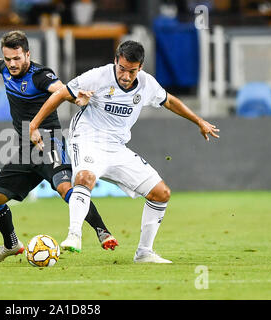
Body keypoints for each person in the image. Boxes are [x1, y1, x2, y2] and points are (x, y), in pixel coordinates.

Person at [0, 29, 118, 262]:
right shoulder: (6, 69)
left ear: (28, 54)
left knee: (64, 188)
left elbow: (60, 89)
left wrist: (75, 97)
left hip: (48, 141)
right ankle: (11, 244)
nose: (11, 64)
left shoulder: (40, 75)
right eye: (8, 59)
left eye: (17, 58)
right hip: (25, 148)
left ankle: (102, 231)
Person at [29, 40, 220, 262]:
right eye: (122, 69)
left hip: (117, 148)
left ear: (140, 67)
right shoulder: (97, 76)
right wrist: (34, 125)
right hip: (88, 138)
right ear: (115, 61)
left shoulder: (147, 84)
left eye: (132, 71)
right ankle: (74, 235)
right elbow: (60, 94)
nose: (126, 76)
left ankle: (144, 252)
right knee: (84, 178)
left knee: (161, 194)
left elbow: (169, 101)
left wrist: (198, 121)